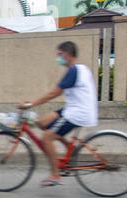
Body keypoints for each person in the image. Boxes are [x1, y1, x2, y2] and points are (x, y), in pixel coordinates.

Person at [19, 41, 98, 187]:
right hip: (74, 108)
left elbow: (54, 93)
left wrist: (31, 104)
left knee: (47, 138)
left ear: (68, 55)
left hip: (77, 113)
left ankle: (55, 175)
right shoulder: (79, 68)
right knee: (42, 122)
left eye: (60, 54)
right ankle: (70, 148)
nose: (58, 57)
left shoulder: (74, 71)